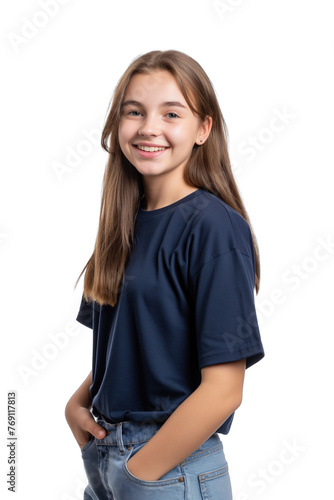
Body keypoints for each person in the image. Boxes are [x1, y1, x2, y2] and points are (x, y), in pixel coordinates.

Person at [65, 49, 265, 500]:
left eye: (171, 113)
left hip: (168, 469)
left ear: (203, 129)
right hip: (110, 461)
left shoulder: (213, 225)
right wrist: (76, 408)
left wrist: (141, 471)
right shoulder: (121, 224)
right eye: (134, 112)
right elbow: (125, 349)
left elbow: (224, 389)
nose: (149, 126)